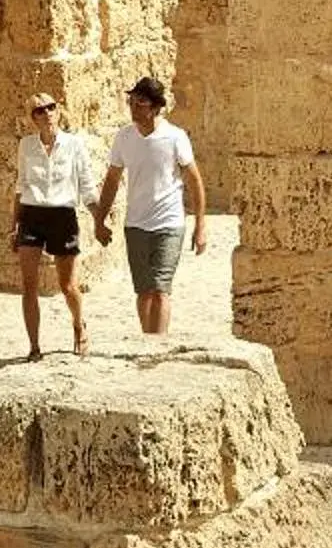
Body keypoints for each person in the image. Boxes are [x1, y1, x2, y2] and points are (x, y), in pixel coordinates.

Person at [94, 76, 205, 336]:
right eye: (131, 102)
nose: (134, 108)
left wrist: (200, 226)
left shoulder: (175, 137)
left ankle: (159, 344)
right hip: (135, 224)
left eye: (140, 103)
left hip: (170, 223)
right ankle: (147, 341)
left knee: (160, 289)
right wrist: (99, 220)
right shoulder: (124, 138)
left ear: (156, 107)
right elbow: (112, 179)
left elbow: (194, 180)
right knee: (144, 291)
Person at [11, 92, 91, 359]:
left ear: (58, 111)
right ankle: (34, 346)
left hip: (62, 215)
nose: (47, 113)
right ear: (32, 118)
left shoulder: (73, 144)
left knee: (67, 285)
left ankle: (79, 325)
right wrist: (14, 224)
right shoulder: (26, 145)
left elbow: (87, 183)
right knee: (29, 285)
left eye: (51, 107)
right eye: (39, 110)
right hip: (32, 215)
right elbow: (21, 186)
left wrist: (99, 217)